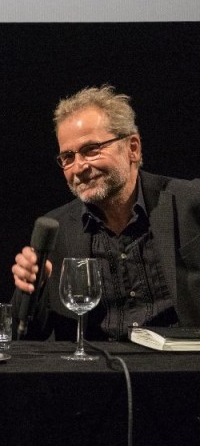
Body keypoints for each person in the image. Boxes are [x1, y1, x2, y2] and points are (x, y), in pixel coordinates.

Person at [11, 85, 200, 341]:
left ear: (133, 148)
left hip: (183, 371)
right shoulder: (56, 228)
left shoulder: (191, 202)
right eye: (67, 156)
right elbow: (25, 336)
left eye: (91, 149)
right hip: (98, 374)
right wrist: (33, 288)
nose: (79, 167)